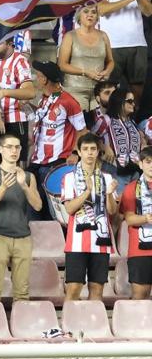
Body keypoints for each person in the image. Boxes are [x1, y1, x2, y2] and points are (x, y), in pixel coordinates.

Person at [0, 132, 42, 301]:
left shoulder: (28, 176)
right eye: (9, 147)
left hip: (23, 236)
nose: (13, 151)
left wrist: (24, 186)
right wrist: (3, 187)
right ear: (0, 149)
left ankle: (22, 324)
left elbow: (38, 205)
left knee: (22, 292)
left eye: (17, 147)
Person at [61, 132, 118, 302]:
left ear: (98, 152)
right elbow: (70, 208)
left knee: (97, 290)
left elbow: (112, 210)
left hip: (101, 241)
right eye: (85, 149)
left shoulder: (107, 178)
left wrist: (108, 194)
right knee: (73, 289)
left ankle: (93, 328)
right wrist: (87, 191)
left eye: (93, 149)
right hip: (77, 242)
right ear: (78, 152)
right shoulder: (69, 178)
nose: (90, 153)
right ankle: (69, 327)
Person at [30, 61, 87, 193]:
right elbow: (45, 116)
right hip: (38, 159)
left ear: (44, 80)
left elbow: (82, 131)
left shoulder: (68, 101)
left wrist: (74, 153)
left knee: (48, 205)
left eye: (37, 76)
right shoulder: (44, 99)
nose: (35, 79)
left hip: (56, 161)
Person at [58, 2, 114, 116]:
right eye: (86, 11)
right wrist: (85, 72)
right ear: (79, 15)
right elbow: (62, 64)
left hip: (99, 90)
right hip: (75, 89)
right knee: (80, 128)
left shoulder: (104, 35)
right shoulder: (70, 36)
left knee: (101, 126)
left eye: (94, 12)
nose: (90, 15)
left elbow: (110, 61)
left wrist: (106, 72)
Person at [121, 145, 152, 301]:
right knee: (140, 295)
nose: (151, 165)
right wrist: (146, 218)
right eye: (148, 161)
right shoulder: (131, 188)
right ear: (140, 164)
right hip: (139, 249)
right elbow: (129, 219)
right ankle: (134, 326)